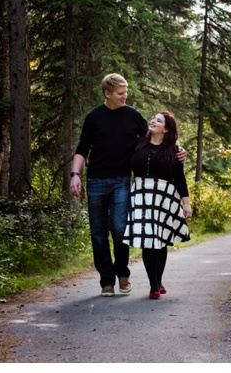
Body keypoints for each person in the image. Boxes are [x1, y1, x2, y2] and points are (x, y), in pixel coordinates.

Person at [69, 74, 185, 297]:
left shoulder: (133, 116)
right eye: (121, 94)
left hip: (122, 180)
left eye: (126, 93)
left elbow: (154, 139)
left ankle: (122, 273)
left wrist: (177, 150)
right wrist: (75, 174)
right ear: (108, 93)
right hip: (95, 181)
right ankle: (106, 281)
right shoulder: (93, 117)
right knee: (98, 233)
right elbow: (82, 148)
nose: (125, 97)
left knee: (120, 228)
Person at [122, 110, 192, 300]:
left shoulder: (175, 151)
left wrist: (186, 203)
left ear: (166, 128)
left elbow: (180, 178)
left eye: (158, 120)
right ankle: (153, 285)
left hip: (164, 197)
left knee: (160, 241)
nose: (153, 121)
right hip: (141, 195)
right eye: (154, 118)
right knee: (148, 238)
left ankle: (158, 281)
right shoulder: (138, 144)